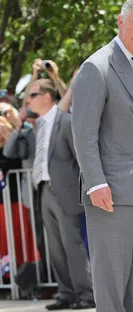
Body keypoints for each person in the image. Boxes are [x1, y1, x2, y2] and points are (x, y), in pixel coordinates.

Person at [71, 0, 133, 312]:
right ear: (120, 22)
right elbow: (83, 133)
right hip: (110, 191)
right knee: (112, 285)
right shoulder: (96, 67)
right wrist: (95, 183)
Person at [8, 80, 94, 309]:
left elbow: (81, 159)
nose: (28, 100)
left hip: (66, 193)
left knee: (72, 244)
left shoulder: (65, 121)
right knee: (54, 247)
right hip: (43, 191)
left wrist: (85, 191)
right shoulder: (40, 125)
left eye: (32, 95)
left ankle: (86, 294)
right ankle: (66, 294)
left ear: (47, 96)